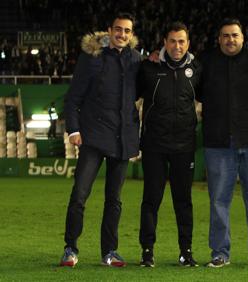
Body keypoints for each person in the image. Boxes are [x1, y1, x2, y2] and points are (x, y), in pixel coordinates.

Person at [60, 12, 141, 267]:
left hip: (121, 140)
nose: (122, 34)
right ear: (109, 30)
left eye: (127, 31)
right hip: (93, 139)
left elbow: (137, 98)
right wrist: (73, 130)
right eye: (118, 29)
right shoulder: (92, 57)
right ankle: (70, 248)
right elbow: (73, 98)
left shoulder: (135, 60)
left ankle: (110, 252)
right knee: (79, 196)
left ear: (131, 34)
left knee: (114, 200)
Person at [196, 18, 248, 268]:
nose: (231, 40)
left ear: (243, 37)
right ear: (219, 39)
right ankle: (220, 253)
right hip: (218, 143)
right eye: (226, 36)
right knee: (218, 200)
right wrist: (159, 55)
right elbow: (183, 73)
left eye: (235, 35)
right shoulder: (206, 61)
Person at [137, 22, 201, 268]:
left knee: (183, 201)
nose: (177, 46)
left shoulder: (197, 69)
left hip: (184, 147)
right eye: (173, 41)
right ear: (164, 42)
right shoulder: (148, 68)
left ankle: (186, 252)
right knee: (151, 200)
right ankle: (147, 252)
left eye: (182, 41)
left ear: (188, 43)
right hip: (154, 145)